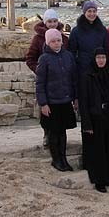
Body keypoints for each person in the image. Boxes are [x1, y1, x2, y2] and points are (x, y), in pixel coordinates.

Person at [78, 47, 109, 192]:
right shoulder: (87, 76)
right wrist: (87, 124)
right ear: (94, 59)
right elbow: (83, 102)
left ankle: (108, 176)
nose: (101, 60)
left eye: (103, 57)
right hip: (93, 118)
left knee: (107, 147)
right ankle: (98, 180)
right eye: (98, 58)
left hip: (107, 116)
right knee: (96, 150)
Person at [26, 8, 70, 147]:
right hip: (45, 80)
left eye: (55, 21)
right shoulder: (38, 39)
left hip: (61, 80)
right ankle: (47, 134)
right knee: (45, 109)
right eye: (49, 21)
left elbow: (68, 57)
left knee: (60, 112)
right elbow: (30, 59)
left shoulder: (64, 39)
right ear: (45, 22)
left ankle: (60, 139)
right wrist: (40, 71)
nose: (52, 24)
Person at [35, 29, 77, 172]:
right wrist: (43, 103)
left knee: (63, 132)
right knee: (54, 132)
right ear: (48, 43)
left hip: (65, 100)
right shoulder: (44, 59)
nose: (56, 43)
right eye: (53, 41)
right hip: (51, 102)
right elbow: (40, 83)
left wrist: (75, 97)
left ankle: (64, 159)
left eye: (58, 40)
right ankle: (56, 160)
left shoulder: (68, 56)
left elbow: (73, 79)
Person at [68, 1, 109, 79]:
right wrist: (75, 66)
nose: (92, 14)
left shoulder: (102, 30)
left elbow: (106, 49)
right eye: (89, 11)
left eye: (94, 11)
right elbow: (72, 51)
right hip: (82, 68)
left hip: (99, 68)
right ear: (84, 12)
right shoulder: (76, 31)